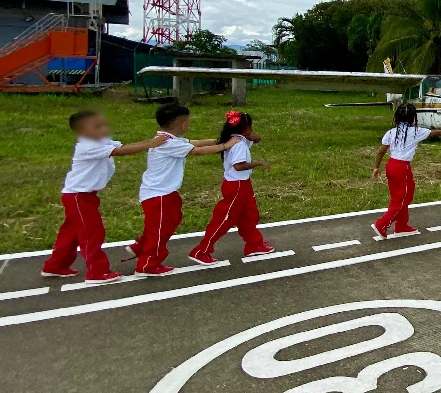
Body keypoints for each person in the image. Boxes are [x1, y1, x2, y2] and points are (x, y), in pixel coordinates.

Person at [41, 111, 168, 284]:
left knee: (70, 233)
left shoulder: (101, 142)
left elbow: (124, 145)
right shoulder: (87, 146)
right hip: (78, 196)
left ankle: (54, 265)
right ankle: (96, 271)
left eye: (104, 124)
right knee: (92, 232)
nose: (104, 129)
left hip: (83, 196)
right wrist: (151, 144)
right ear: (81, 131)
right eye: (97, 126)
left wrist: (151, 143)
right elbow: (121, 151)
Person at [127, 103, 233, 276]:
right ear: (182, 124)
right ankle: (147, 264)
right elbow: (197, 151)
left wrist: (220, 140)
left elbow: (195, 143)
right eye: (188, 122)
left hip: (166, 192)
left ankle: (141, 246)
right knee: (160, 228)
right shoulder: (168, 143)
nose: (189, 125)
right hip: (158, 194)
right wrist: (225, 146)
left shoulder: (169, 139)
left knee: (171, 220)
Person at [189, 111, 274, 265]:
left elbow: (257, 138)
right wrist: (258, 163)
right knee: (225, 218)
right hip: (236, 185)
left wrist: (249, 132)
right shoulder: (239, 144)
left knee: (249, 214)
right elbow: (239, 166)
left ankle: (254, 244)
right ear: (246, 128)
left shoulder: (238, 139)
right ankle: (201, 250)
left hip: (243, 183)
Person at [371, 102, 441, 239]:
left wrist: (376, 167)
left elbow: (381, 151)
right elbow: (436, 132)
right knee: (402, 198)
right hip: (401, 167)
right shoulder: (416, 131)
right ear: (413, 118)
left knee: (404, 194)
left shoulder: (391, 132)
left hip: (391, 165)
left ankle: (401, 225)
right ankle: (382, 223)